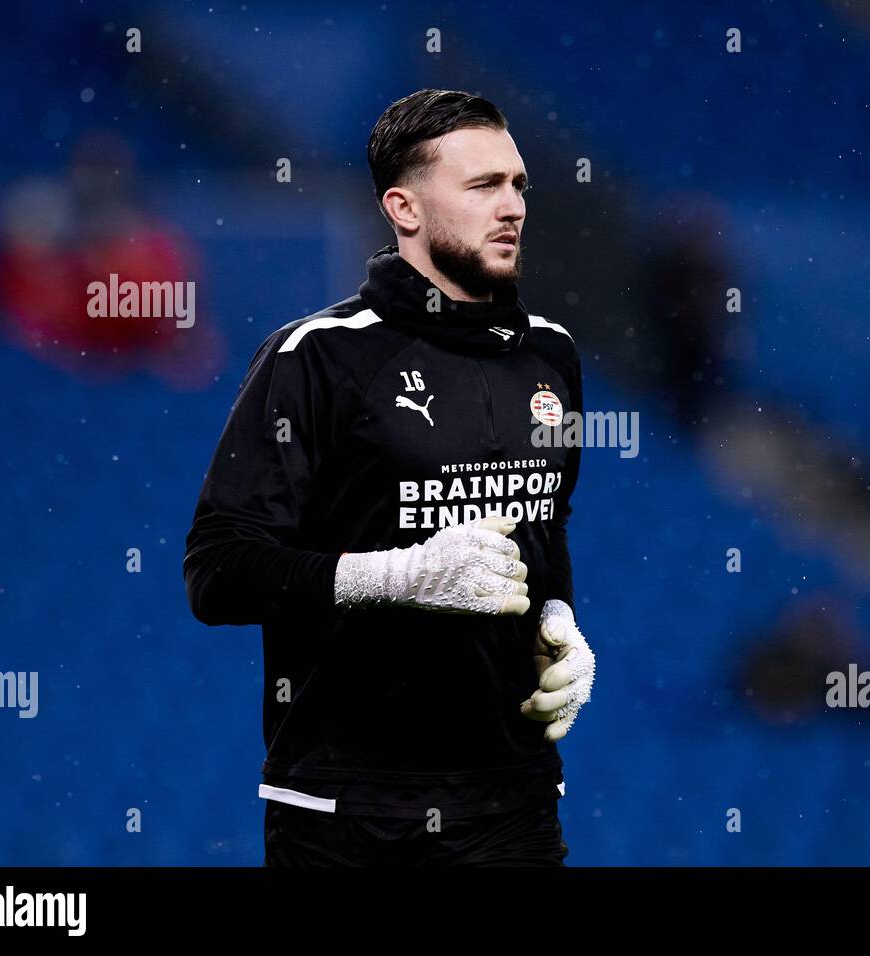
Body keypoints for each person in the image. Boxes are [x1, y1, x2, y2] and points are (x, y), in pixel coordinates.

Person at [183, 89, 595, 866]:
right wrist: (401, 575)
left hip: (517, 806)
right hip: (346, 813)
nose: (511, 207)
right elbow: (217, 573)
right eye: (482, 187)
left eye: (518, 185)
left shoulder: (553, 355)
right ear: (404, 209)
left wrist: (561, 627)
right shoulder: (318, 356)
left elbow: (544, 525)